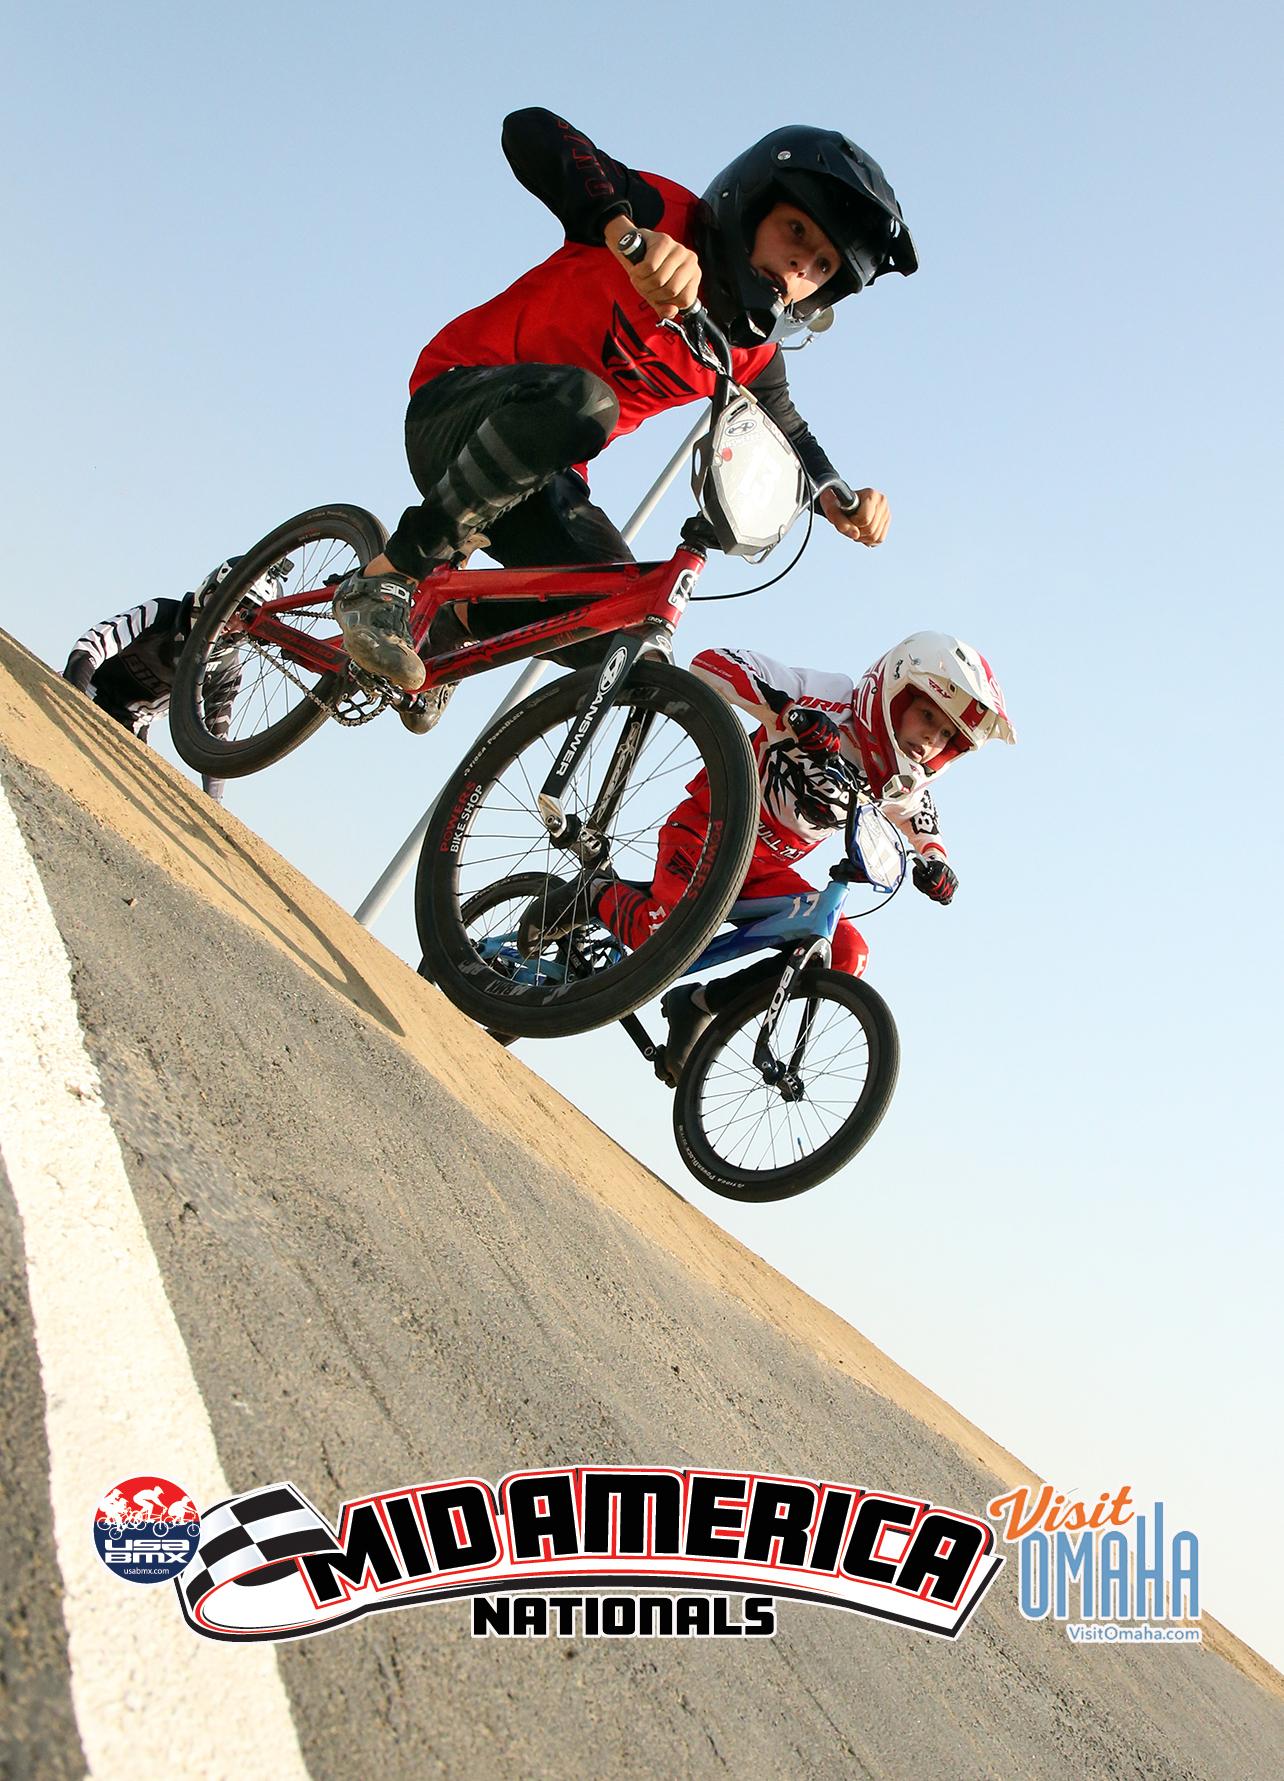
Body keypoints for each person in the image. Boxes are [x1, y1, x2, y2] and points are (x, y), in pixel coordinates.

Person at [329, 108, 918, 729]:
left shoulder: (749, 353)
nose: (800, 267)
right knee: (588, 403)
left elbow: (789, 431)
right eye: (795, 231)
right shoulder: (662, 215)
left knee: (621, 616)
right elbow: (530, 131)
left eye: (822, 267)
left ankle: (451, 625)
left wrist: (838, 497)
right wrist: (624, 234)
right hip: (457, 402)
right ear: (751, 205)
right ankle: (390, 574)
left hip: (538, 478)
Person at [521, 632, 1015, 1080]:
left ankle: (699, 1004)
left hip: (764, 871)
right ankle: (593, 892)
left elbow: (920, 820)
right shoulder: (831, 697)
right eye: (928, 715)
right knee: (659, 939)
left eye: (946, 735)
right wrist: (789, 714)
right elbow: (711, 663)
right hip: (706, 830)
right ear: (896, 691)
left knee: (845, 953)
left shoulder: (899, 779)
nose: (931, 739)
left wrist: (936, 862)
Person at [61, 556, 285, 801]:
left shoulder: (227, 668)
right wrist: (74, 700)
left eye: (246, 616)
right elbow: (90, 647)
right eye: (232, 603)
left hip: (131, 729)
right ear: (210, 590)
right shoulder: (160, 612)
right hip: (86, 693)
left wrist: (214, 803)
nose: (231, 621)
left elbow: (215, 743)